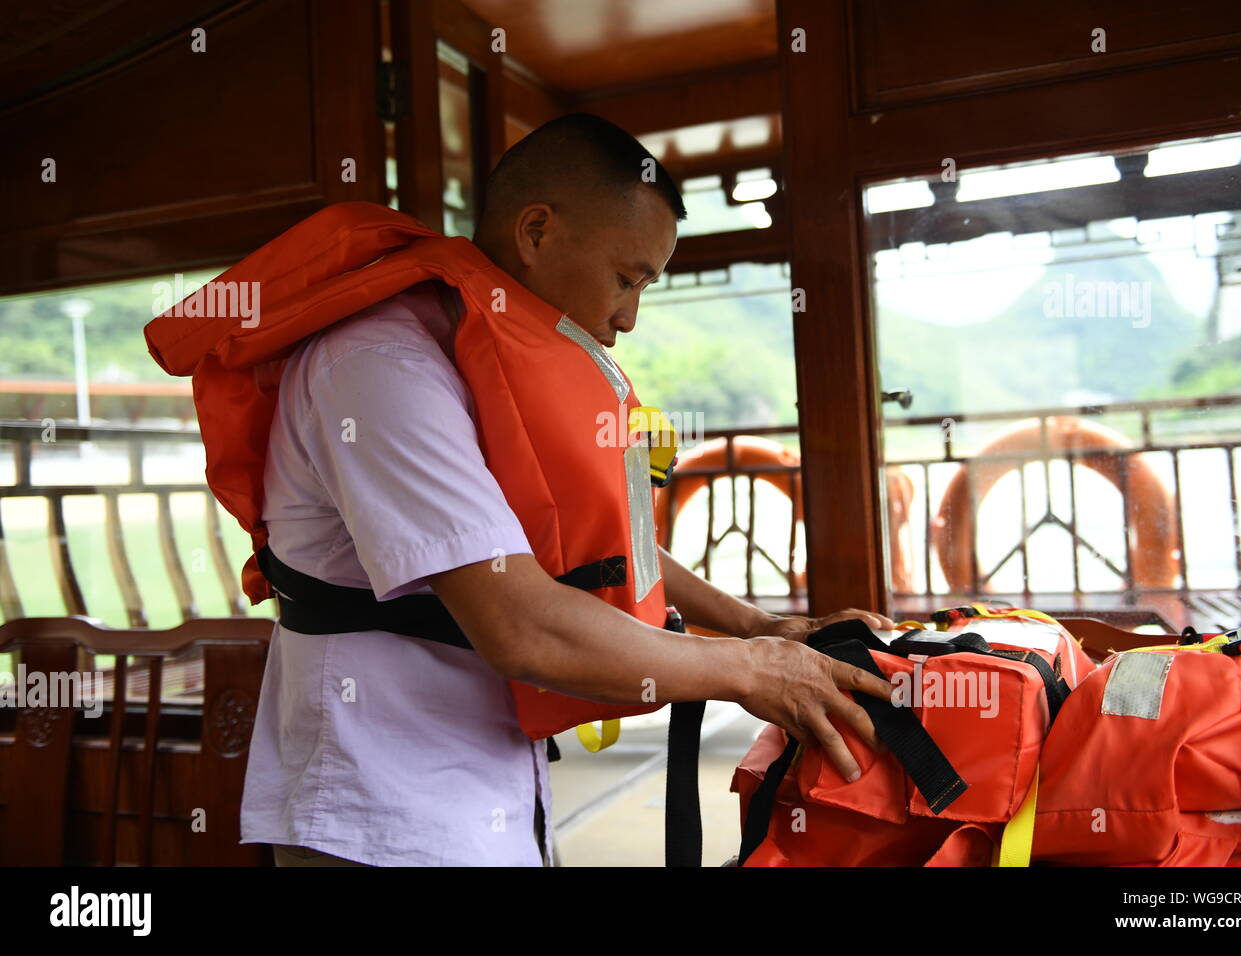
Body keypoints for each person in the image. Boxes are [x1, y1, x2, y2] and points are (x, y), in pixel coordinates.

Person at [238, 113, 895, 867]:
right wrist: (748, 672)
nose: (628, 318)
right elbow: (520, 622)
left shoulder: (472, 355)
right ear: (537, 232)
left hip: (482, 780)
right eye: (627, 278)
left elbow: (611, 551)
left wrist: (757, 628)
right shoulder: (380, 366)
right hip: (381, 801)